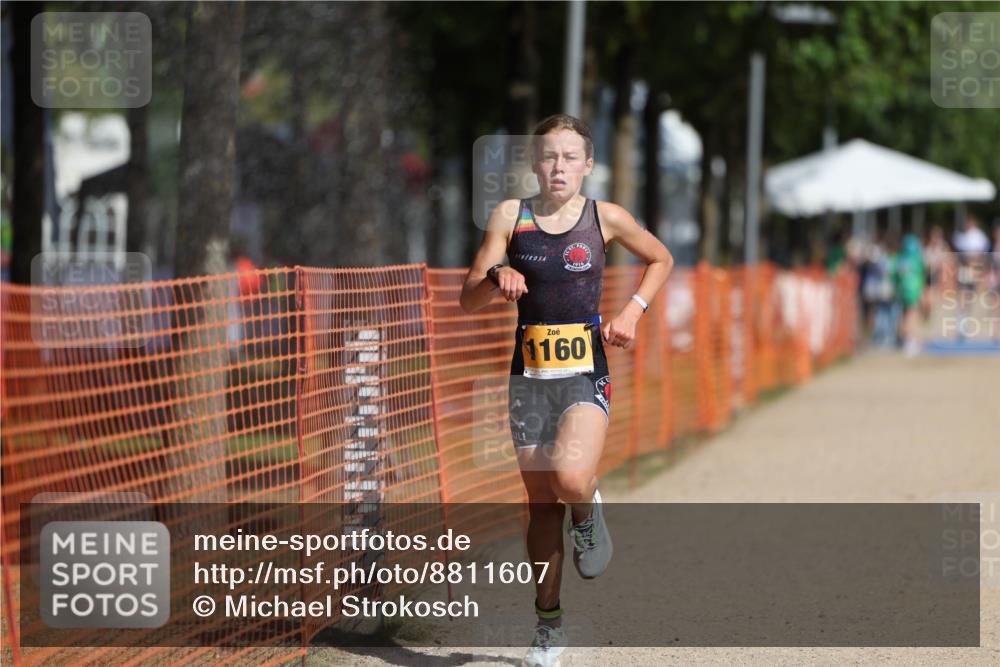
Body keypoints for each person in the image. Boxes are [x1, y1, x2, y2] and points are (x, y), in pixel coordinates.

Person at [459, 114, 673, 667]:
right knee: (539, 504)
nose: (559, 167)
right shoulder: (511, 216)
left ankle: (589, 509)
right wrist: (495, 278)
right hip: (528, 378)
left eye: (570, 157)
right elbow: (467, 299)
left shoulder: (606, 218)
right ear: (536, 163)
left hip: (584, 372)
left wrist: (631, 310)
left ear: (588, 165)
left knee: (571, 477)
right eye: (549, 157)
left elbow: (661, 258)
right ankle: (548, 626)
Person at [894, 234, 926, 357]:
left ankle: (906, 339)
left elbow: (896, 276)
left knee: (904, 315)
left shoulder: (901, 259)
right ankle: (911, 340)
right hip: (913, 291)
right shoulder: (916, 260)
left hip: (902, 291)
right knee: (912, 315)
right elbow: (920, 277)